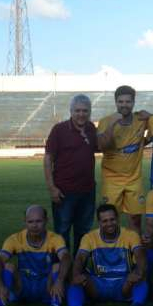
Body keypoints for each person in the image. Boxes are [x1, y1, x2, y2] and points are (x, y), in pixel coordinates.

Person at [59, 204, 148, 306]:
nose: (109, 223)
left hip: (123, 283)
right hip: (98, 284)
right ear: (99, 222)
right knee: (77, 281)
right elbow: (80, 257)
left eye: (112, 219)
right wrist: (75, 274)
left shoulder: (131, 235)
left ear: (117, 218)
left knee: (141, 279)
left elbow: (140, 254)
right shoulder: (89, 237)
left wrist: (139, 272)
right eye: (105, 221)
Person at [0, 205, 71, 306]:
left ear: (46, 220)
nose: (34, 225)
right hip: (23, 287)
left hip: (46, 287)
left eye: (38, 221)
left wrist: (59, 280)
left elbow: (66, 257)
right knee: (8, 266)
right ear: (25, 222)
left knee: (57, 266)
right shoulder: (15, 239)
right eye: (30, 221)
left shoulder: (55, 238)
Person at [44, 93, 99, 252]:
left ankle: (78, 269)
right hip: (64, 192)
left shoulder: (91, 129)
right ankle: (62, 268)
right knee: (62, 232)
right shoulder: (59, 130)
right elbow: (48, 159)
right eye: (77, 111)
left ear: (90, 112)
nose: (81, 114)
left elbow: (100, 147)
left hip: (87, 191)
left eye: (85, 111)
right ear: (71, 111)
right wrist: (51, 188)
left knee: (83, 232)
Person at [97, 85, 150, 234]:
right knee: (109, 220)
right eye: (121, 102)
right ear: (116, 102)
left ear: (133, 102)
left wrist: (151, 115)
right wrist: (112, 125)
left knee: (135, 219)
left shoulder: (141, 120)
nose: (124, 105)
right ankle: (112, 250)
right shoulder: (106, 121)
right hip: (111, 179)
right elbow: (102, 146)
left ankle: (134, 251)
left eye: (128, 101)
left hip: (134, 179)